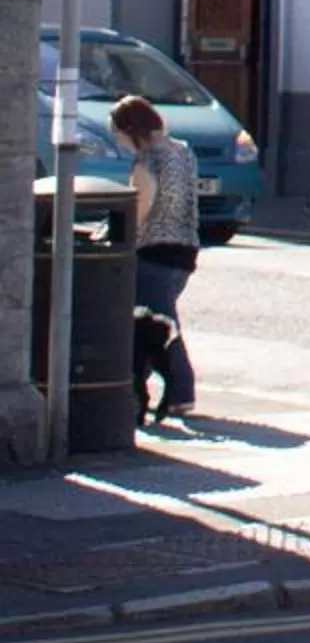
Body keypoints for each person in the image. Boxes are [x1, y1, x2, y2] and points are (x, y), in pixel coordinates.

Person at [111, 95, 199, 424]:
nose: (119, 142)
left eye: (119, 135)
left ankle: (181, 393)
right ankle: (136, 393)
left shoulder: (147, 160)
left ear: (132, 130)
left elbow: (140, 207)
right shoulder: (182, 150)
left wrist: (118, 236)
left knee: (157, 328)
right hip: (185, 248)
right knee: (151, 327)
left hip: (154, 251)